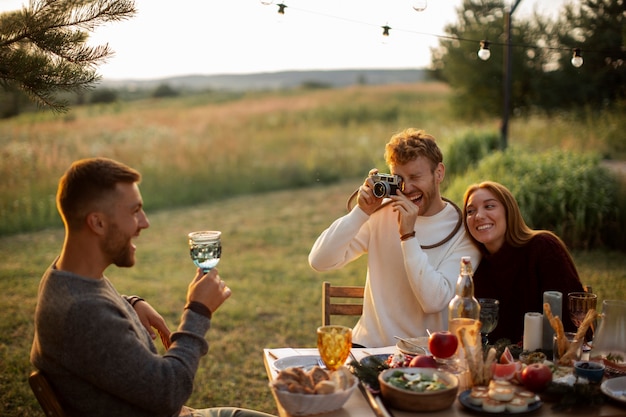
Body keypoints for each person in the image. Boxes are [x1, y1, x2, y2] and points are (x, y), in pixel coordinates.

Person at [30, 157, 274, 417]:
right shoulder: (84, 313)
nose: (145, 222)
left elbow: (95, 318)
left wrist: (130, 303)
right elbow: (168, 393)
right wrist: (198, 311)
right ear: (98, 223)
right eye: (135, 211)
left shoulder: (65, 277)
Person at [309, 128, 481, 347]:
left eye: (415, 177)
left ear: (439, 173)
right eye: (399, 179)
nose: (407, 188)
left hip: (424, 355)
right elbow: (320, 261)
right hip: (369, 347)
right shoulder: (382, 214)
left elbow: (434, 301)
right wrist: (361, 212)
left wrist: (408, 236)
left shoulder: (462, 230)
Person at [463, 180, 585, 344]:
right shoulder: (476, 266)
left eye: (489, 206)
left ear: (509, 211)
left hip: (551, 360)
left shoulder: (543, 247)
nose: (478, 216)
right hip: (495, 363)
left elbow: (571, 322)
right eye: (470, 211)